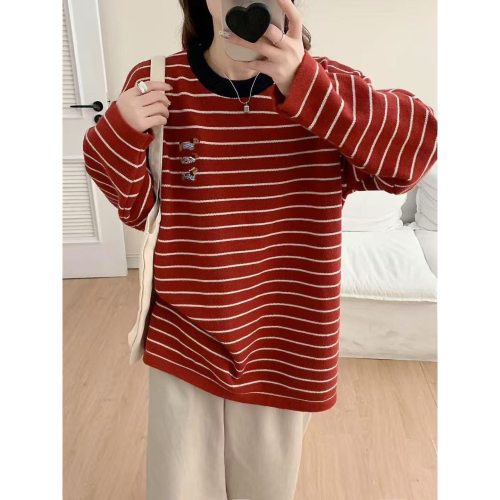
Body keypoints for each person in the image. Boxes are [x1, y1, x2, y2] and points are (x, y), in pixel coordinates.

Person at [82, 0, 438, 498]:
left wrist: (306, 84)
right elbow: (141, 211)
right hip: (185, 337)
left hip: (282, 346)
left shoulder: (323, 85)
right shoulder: (158, 81)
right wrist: (117, 129)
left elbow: (417, 153)